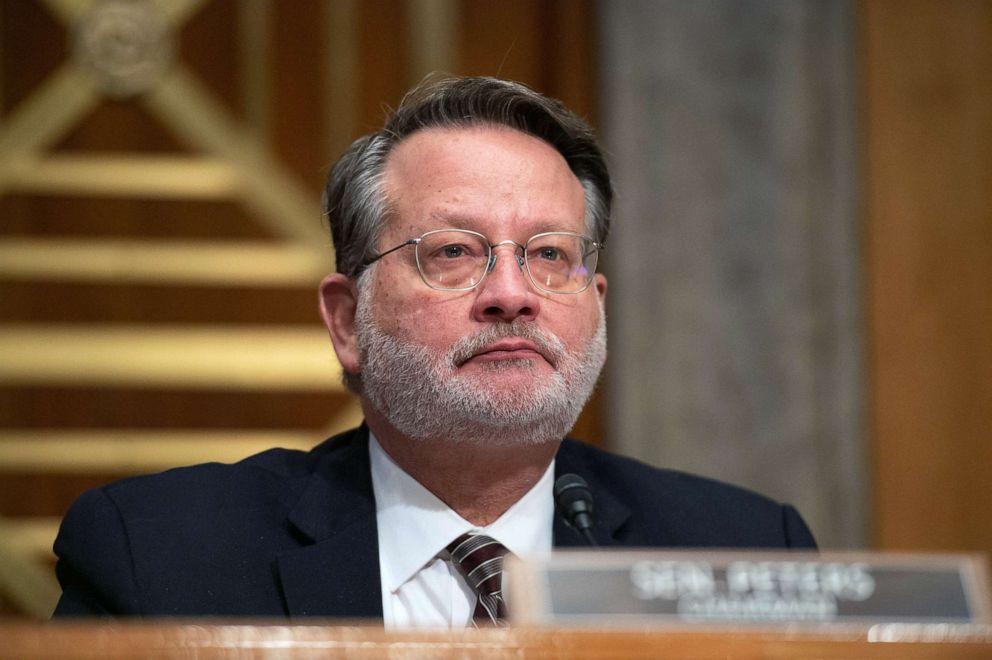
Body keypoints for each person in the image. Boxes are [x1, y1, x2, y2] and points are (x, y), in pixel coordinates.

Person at [52, 75, 816, 625]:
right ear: (347, 320)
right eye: (453, 251)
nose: (511, 293)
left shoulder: (743, 554)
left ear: (597, 306)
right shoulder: (157, 556)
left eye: (550, 255)